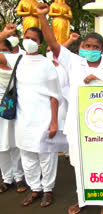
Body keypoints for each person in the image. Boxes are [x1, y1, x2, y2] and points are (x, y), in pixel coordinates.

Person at [37, 3, 103, 214]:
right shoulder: (74, 62)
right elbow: (52, 42)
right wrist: (41, 17)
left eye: (96, 47)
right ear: (81, 46)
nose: (91, 50)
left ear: (102, 49)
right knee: (80, 165)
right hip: (77, 125)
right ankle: (82, 199)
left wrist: (100, 80)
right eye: (88, 45)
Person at [0, 24, 60, 207]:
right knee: (27, 156)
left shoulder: (47, 64)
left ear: (40, 43)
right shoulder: (17, 59)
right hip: (22, 120)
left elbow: (54, 96)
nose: (29, 41)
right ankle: (35, 188)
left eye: (34, 39)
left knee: (46, 156)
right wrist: (3, 34)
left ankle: (47, 190)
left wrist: (54, 123)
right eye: (26, 37)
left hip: (44, 118)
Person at [0, 38, 27, 194]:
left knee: (15, 145)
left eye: (4, 50)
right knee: (1, 148)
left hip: (13, 110)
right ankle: (6, 178)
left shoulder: (18, 68)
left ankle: (19, 177)